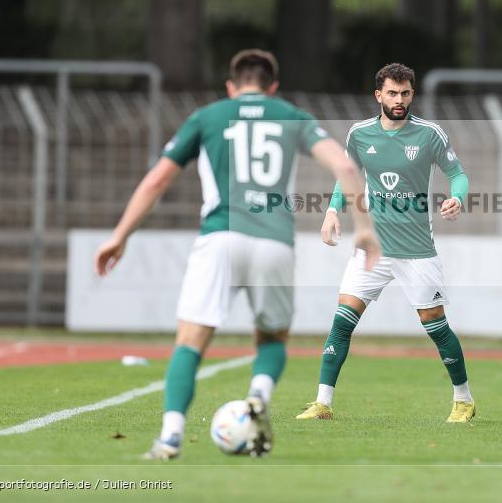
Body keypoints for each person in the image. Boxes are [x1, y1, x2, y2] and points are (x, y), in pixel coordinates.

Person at [94, 49, 381, 460]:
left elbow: (158, 179)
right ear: (273, 86)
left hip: (219, 239)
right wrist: (365, 229)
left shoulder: (208, 116)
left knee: (190, 341)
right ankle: (258, 395)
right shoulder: (291, 115)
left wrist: (120, 235)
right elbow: (347, 168)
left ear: (231, 85)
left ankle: (170, 436)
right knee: (272, 337)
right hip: (273, 243)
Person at [295, 62, 476, 423]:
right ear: (378, 95)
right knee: (342, 321)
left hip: (416, 251)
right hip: (372, 249)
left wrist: (458, 197)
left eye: (405, 93)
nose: (399, 99)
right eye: (392, 93)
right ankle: (322, 403)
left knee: (435, 325)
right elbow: (347, 177)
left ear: (412, 94)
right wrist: (332, 211)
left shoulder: (430, 134)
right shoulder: (360, 134)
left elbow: (457, 174)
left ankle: (464, 400)